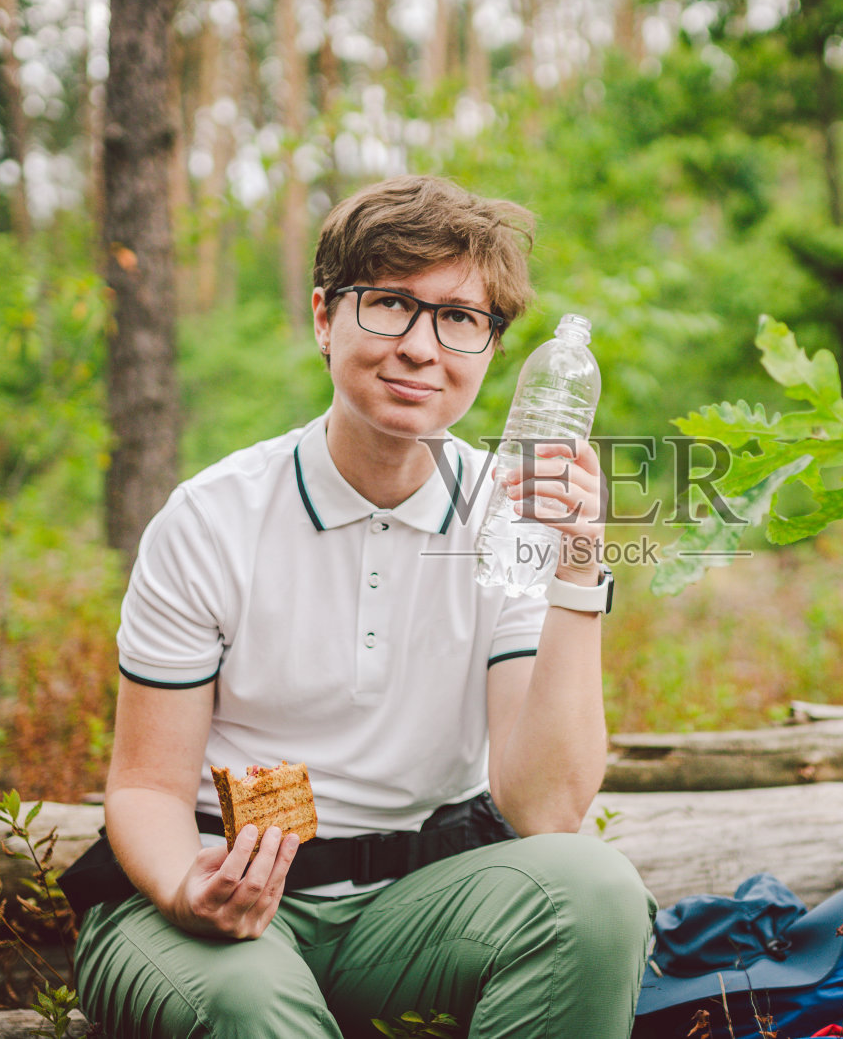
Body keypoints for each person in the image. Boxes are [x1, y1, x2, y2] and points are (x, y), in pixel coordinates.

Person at [73, 175, 656, 1038]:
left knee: (600, 892)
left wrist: (578, 567)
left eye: (460, 318)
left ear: (492, 347)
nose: (423, 347)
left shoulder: (507, 520)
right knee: (248, 997)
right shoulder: (213, 516)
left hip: (410, 909)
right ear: (323, 317)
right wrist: (187, 887)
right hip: (202, 887)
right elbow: (145, 786)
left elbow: (544, 810)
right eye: (389, 304)